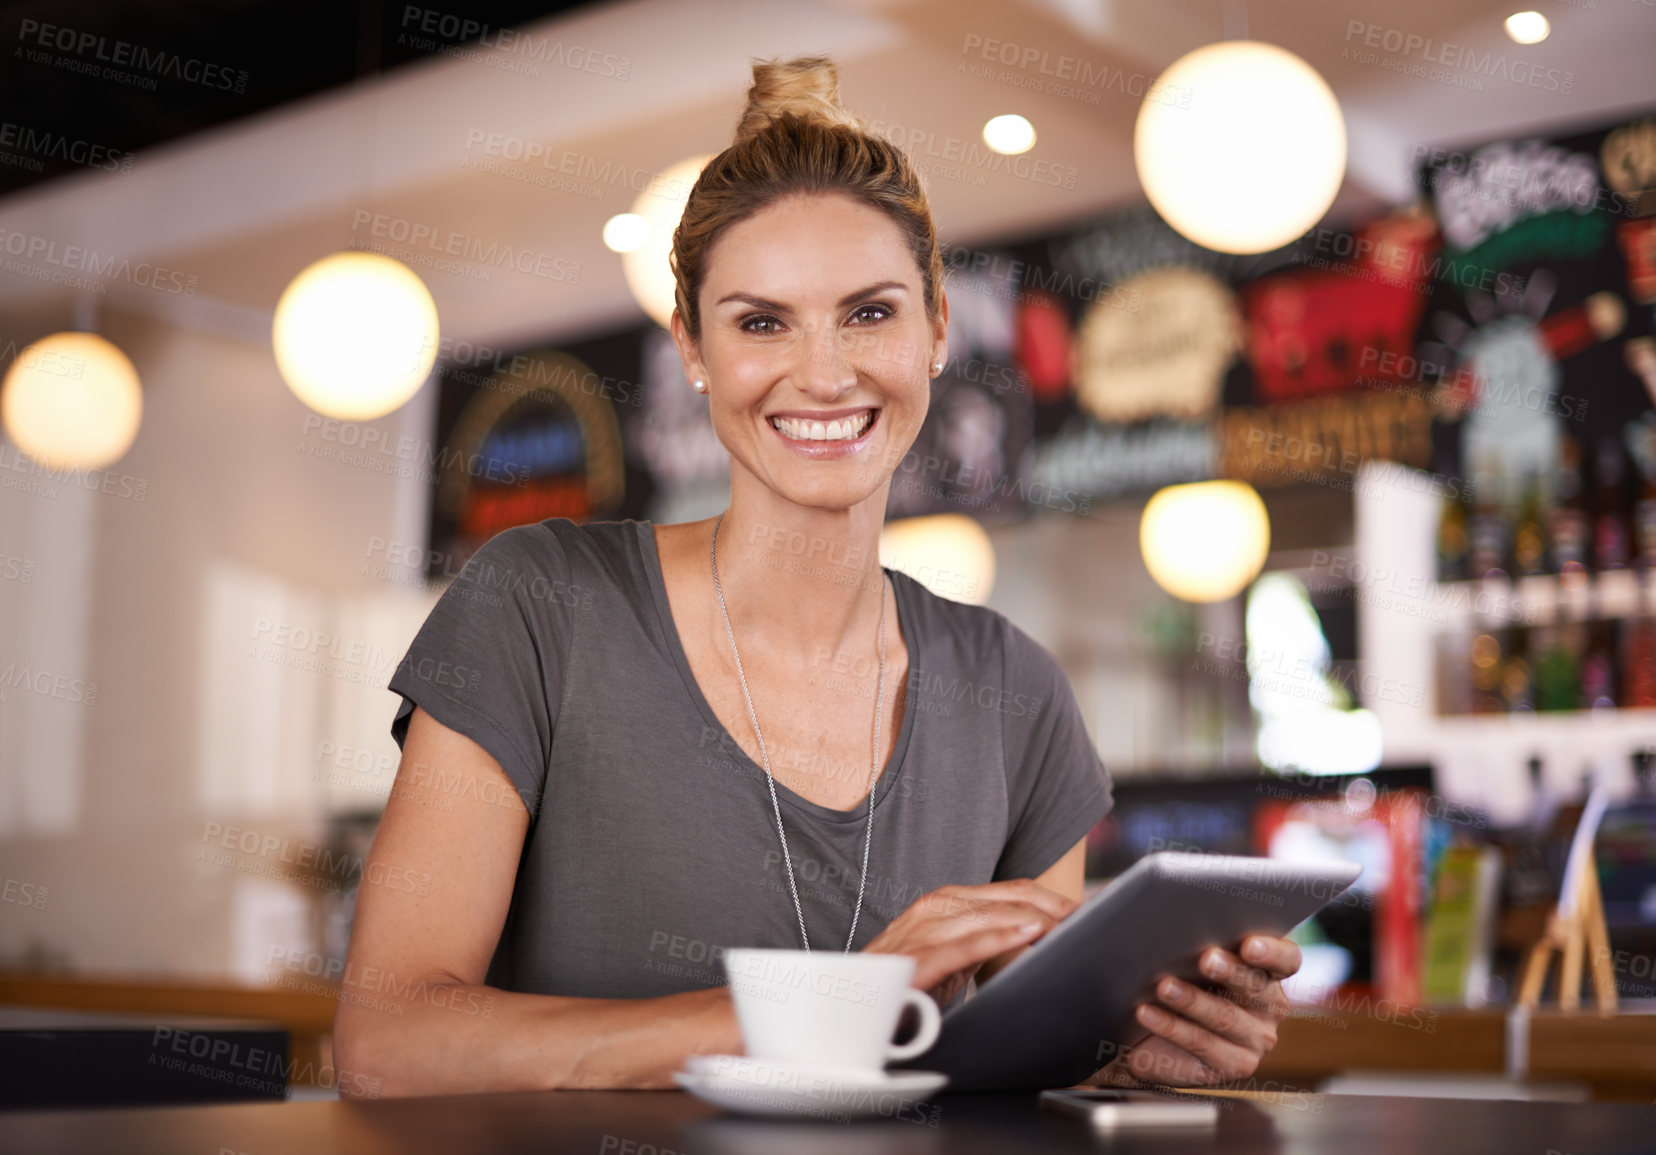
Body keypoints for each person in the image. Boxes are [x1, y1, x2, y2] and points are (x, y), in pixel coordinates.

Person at [332, 54, 1300, 1098]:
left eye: (870, 313)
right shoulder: (543, 603)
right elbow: (388, 1043)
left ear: (937, 327)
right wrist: (835, 1006)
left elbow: (1006, 1086)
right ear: (691, 348)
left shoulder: (1015, 695)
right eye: (760, 323)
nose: (825, 372)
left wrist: (1130, 1061)